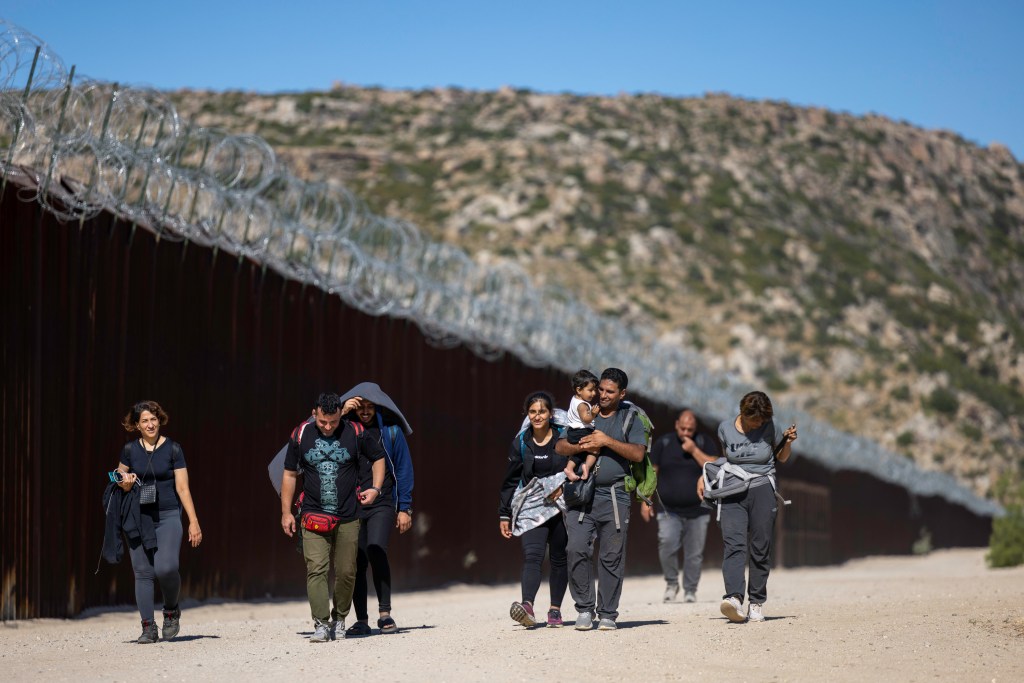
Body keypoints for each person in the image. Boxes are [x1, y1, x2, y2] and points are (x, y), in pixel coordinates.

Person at [280, 392, 386, 643]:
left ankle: (339, 619)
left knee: (347, 571)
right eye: (323, 422)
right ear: (314, 413)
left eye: (334, 422)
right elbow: (289, 474)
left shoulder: (356, 432)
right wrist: (285, 512)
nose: (328, 427)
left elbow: (378, 457)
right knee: (316, 569)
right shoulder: (301, 434)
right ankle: (320, 623)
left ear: (341, 414)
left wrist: (376, 488)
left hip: (348, 515)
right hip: (313, 514)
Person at [556, 368, 648, 631]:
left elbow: (638, 454)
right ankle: (584, 609)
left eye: (609, 391)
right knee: (575, 548)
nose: (602, 396)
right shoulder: (583, 411)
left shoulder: (630, 418)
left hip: (615, 496)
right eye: (600, 390)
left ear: (622, 393)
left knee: (611, 556)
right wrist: (583, 446)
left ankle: (607, 612)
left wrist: (606, 441)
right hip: (582, 494)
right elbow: (561, 446)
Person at [701, 390, 796, 624]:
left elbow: (780, 457)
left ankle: (756, 601)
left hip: (762, 488)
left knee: (760, 545)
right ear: (742, 413)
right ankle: (733, 598)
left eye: (762, 421)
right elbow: (727, 460)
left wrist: (788, 443)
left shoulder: (770, 427)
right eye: (755, 421)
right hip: (734, 489)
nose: (758, 425)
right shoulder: (725, 428)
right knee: (733, 544)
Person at [114, 400, 202, 644]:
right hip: (138, 516)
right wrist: (125, 481)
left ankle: (171, 611)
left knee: (166, 567)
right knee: (142, 572)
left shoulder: (173, 449)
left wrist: (193, 521)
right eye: (144, 421)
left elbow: (183, 488)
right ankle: (147, 627)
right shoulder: (130, 450)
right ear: (136, 425)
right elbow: (118, 476)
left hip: (168, 515)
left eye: (153, 419)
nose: (150, 424)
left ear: (159, 420)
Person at [342, 390, 414, 637]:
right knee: (356, 559)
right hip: (351, 504)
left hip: (382, 500)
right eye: (360, 406)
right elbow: (321, 435)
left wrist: (404, 508)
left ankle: (384, 614)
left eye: (370, 406)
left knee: (376, 548)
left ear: (378, 407)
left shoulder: (391, 431)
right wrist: (341, 414)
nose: (365, 411)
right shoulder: (345, 429)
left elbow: (404, 470)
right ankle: (361, 619)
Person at [499, 391, 570, 628]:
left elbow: (578, 466)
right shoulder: (521, 442)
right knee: (532, 555)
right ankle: (527, 605)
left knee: (559, 558)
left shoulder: (564, 438)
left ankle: (555, 610)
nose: (537, 416)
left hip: (561, 506)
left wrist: (565, 488)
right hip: (532, 506)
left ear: (550, 414)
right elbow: (510, 480)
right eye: (532, 412)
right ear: (527, 415)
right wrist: (504, 513)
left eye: (541, 411)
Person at [641, 409, 719, 603]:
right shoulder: (664, 443)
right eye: (683, 428)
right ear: (676, 425)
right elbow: (653, 473)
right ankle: (671, 583)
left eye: (690, 429)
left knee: (694, 553)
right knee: (667, 544)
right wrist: (646, 500)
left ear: (695, 428)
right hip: (669, 510)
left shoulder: (704, 442)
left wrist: (693, 450)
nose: (686, 432)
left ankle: (690, 590)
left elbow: (715, 466)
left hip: (699, 509)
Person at [565, 369, 600, 445]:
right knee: (595, 449)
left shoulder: (574, 399)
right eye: (590, 390)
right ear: (579, 390)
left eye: (595, 390)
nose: (594, 393)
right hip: (582, 432)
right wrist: (593, 414)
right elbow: (586, 420)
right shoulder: (582, 405)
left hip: (572, 432)